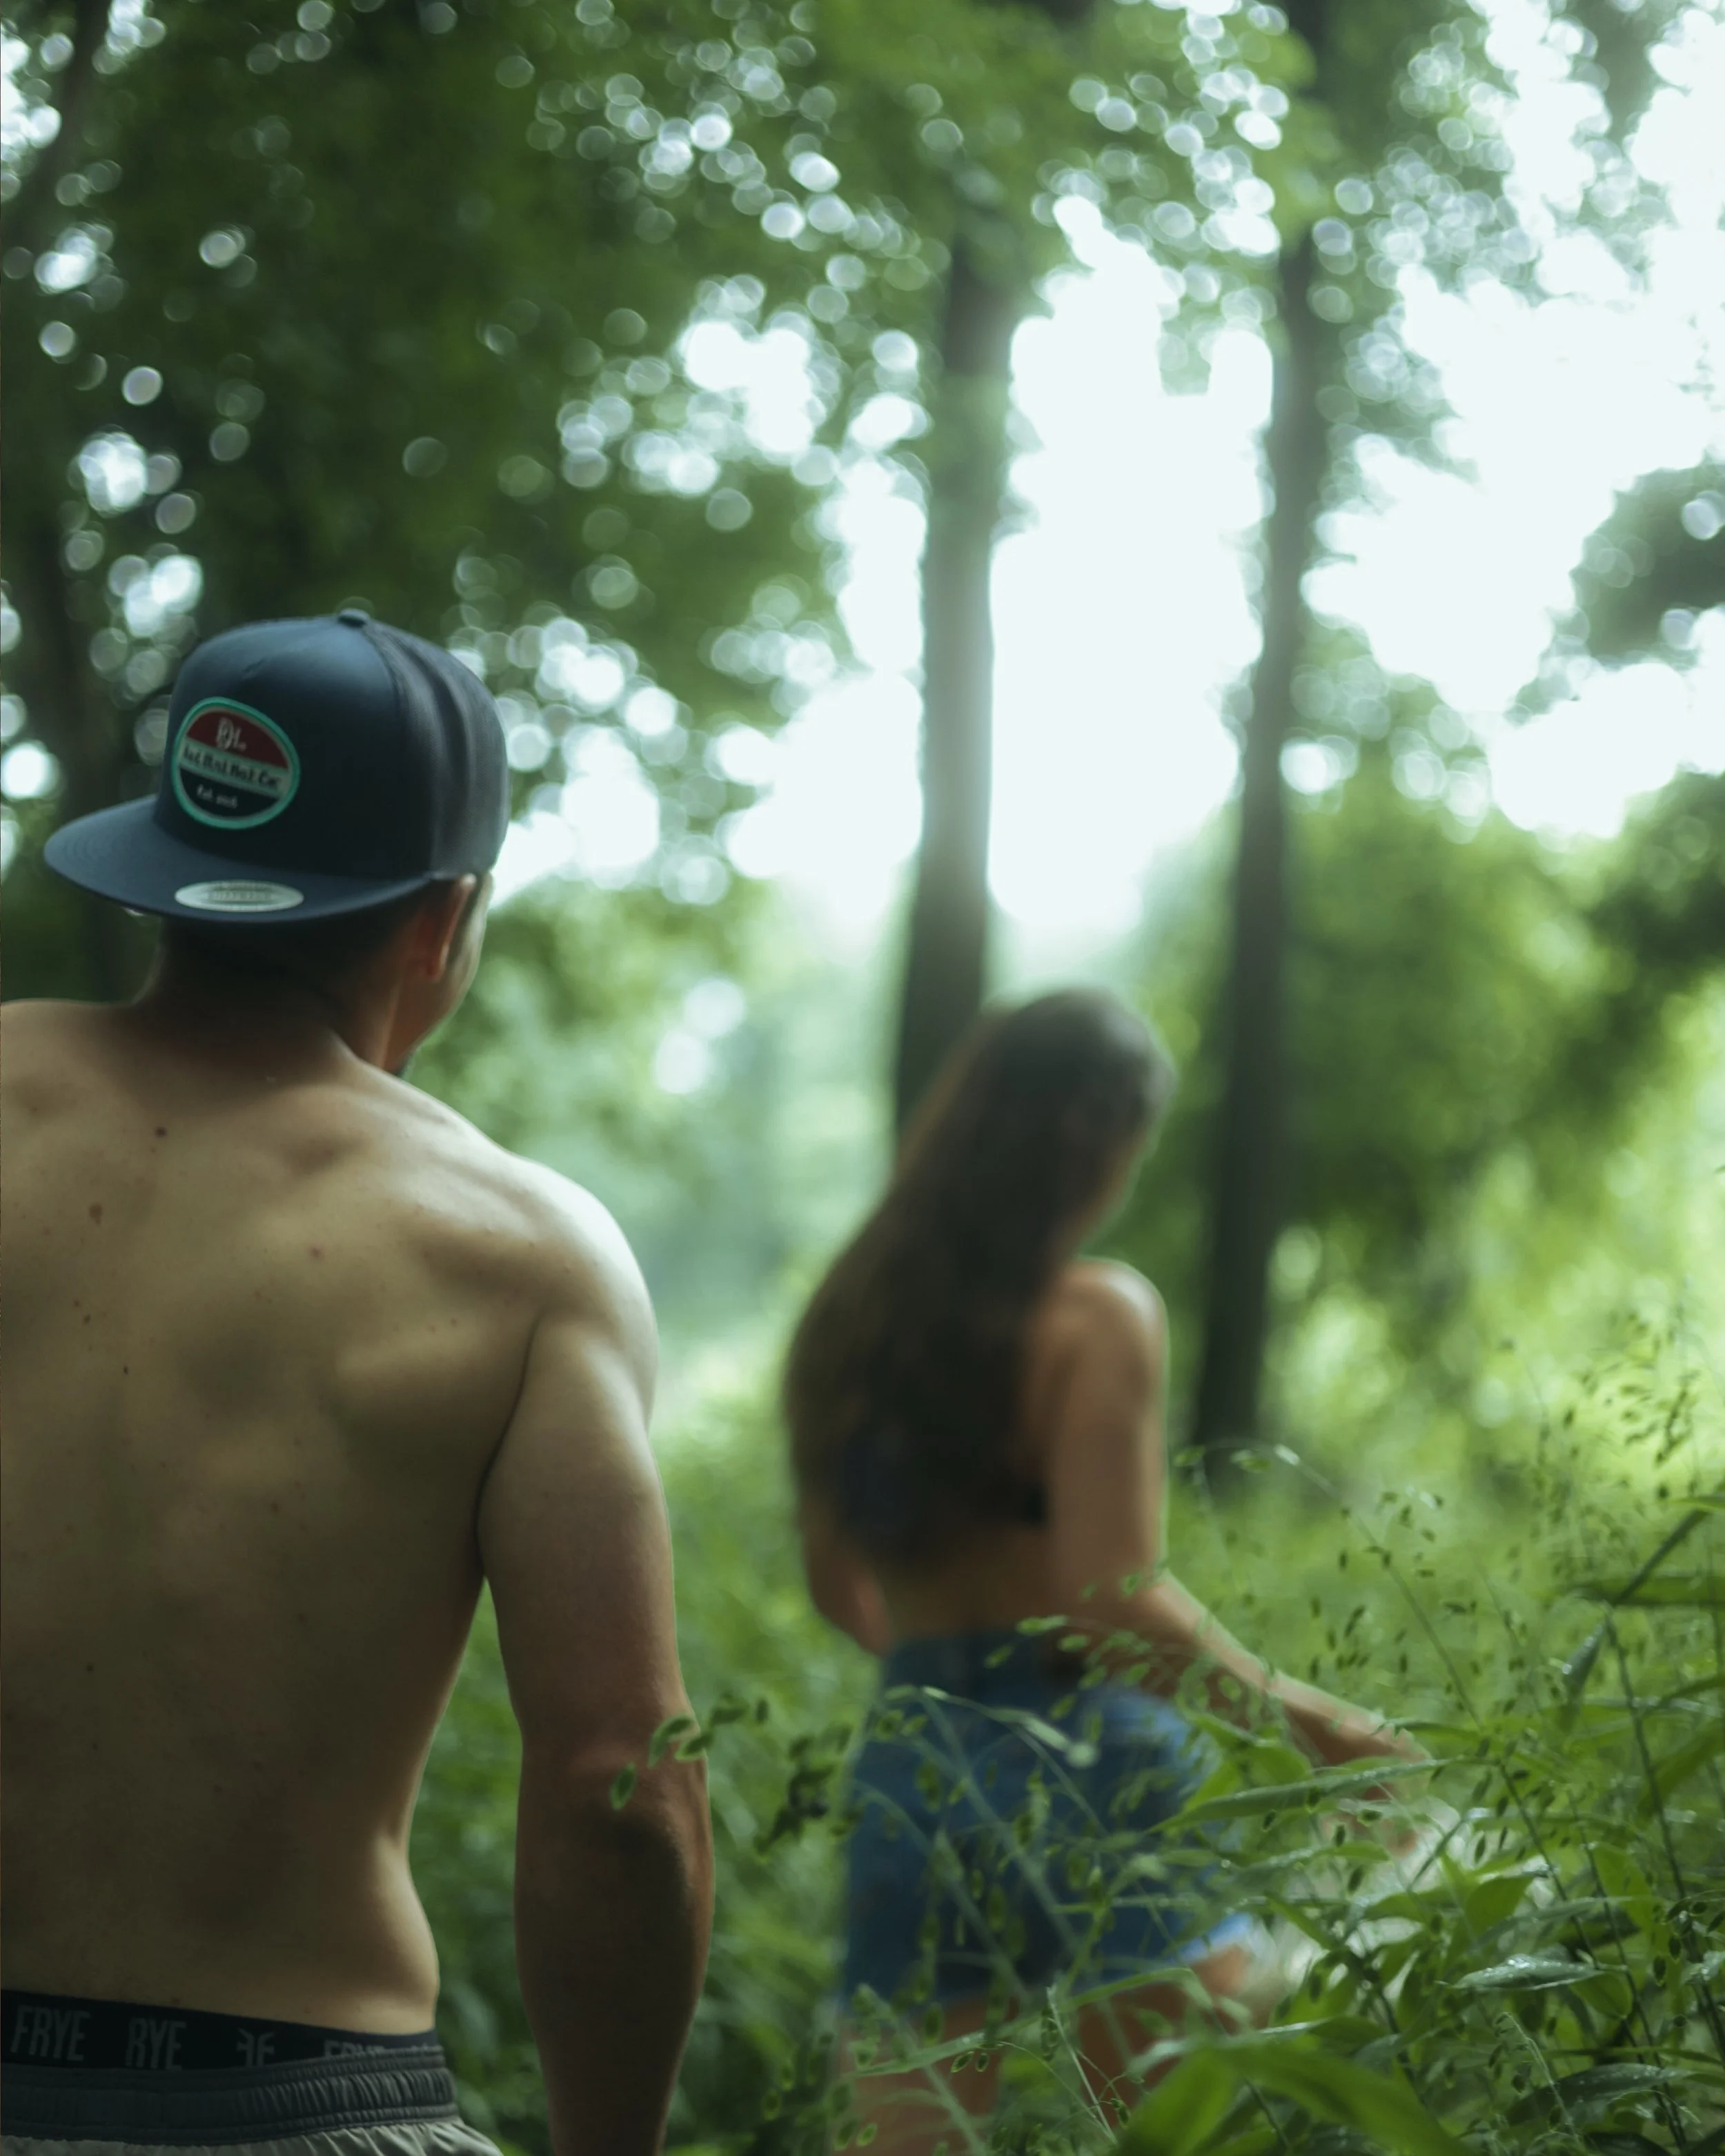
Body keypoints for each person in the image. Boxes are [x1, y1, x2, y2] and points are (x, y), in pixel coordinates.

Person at [1, 613, 711, 2156]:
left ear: (157, 862)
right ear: (439, 921)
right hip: (296, 2101)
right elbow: (619, 1788)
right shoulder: (520, 1256)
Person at [784, 990, 1421, 2145]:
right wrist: (1305, 1721)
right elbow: (1106, 1603)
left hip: (912, 1759)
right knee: (1166, 2131)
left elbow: (839, 1587)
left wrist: (959, 1689)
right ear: (1104, 1139)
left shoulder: (847, 1323)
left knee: (914, 2136)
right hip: (1091, 1762)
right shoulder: (1097, 1317)